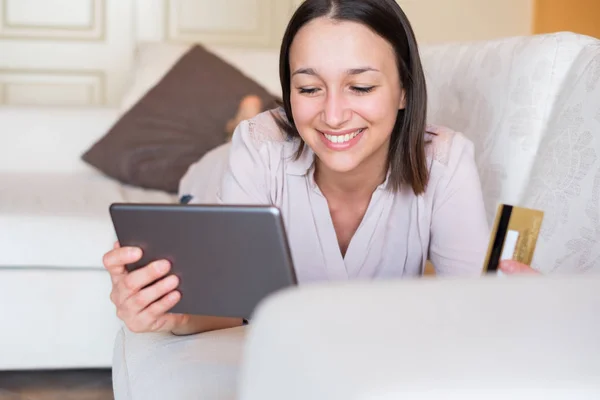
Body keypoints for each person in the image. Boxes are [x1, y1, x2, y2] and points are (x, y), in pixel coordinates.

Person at [102, 0, 539, 337]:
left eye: (361, 86)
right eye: (309, 88)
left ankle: (244, 111)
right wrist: (171, 317)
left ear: (404, 90)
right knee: (216, 149)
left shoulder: (445, 159)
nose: (333, 115)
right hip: (209, 176)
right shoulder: (258, 145)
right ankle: (239, 117)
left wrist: (529, 308)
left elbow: (476, 310)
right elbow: (236, 307)